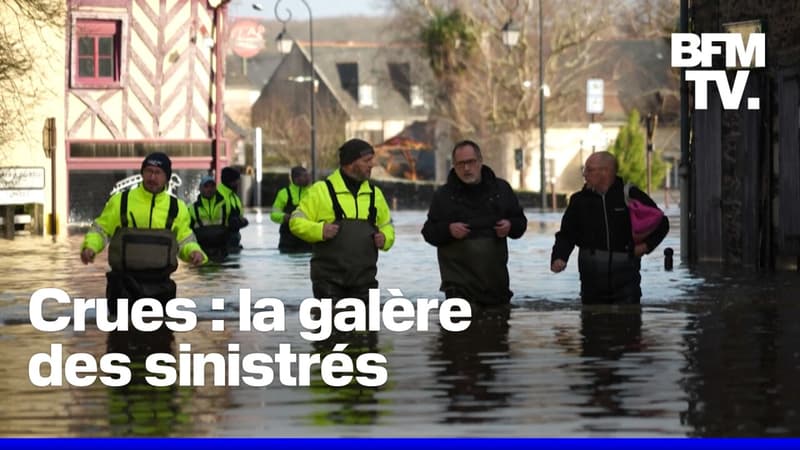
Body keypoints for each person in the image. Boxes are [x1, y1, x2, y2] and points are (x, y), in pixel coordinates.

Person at [80, 152, 206, 314]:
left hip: (160, 286)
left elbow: (184, 239)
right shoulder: (121, 201)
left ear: (167, 177)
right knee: (120, 336)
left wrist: (194, 252)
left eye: (158, 173)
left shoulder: (177, 208)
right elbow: (101, 230)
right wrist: (90, 247)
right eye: (149, 171)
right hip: (123, 286)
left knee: (161, 337)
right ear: (142, 173)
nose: (152, 177)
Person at [550, 151, 669, 304]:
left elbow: (662, 223)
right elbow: (566, 234)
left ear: (606, 171)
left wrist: (646, 246)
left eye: (589, 169)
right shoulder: (579, 200)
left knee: (628, 321)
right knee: (592, 322)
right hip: (591, 282)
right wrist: (559, 257)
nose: (584, 174)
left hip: (626, 280)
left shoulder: (630, 195)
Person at [421, 140, 527, 307]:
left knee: (498, 331)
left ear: (480, 161)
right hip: (458, 289)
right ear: (454, 166)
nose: (466, 168)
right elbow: (428, 232)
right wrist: (448, 230)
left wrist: (510, 226)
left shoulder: (500, 190)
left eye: (470, 162)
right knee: (459, 332)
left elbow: (520, 224)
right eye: (461, 164)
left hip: (495, 287)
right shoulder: (444, 195)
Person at [290, 138, 395, 301]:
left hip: (365, 281)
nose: (372, 165)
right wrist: (320, 230)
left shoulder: (375, 194)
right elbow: (295, 222)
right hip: (328, 283)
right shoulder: (320, 191)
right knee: (331, 326)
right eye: (367, 161)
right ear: (350, 163)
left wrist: (385, 238)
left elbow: (387, 226)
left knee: (366, 326)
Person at [270, 166, 312, 253]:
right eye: (305, 176)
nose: (308, 178)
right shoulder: (284, 193)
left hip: (307, 237)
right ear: (296, 179)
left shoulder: (312, 192)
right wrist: (284, 217)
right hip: (287, 239)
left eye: (308, 175)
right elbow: (273, 214)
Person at [188, 175, 229, 262]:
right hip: (201, 251)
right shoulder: (192, 209)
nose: (209, 189)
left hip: (222, 251)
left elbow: (234, 224)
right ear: (200, 189)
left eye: (212, 186)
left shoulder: (226, 205)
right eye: (206, 186)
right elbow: (187, 232)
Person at [216, 166, 249, 252]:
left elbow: (240, 215)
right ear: (230, 181)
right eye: (236, 180)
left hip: (234, 241)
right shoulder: (217, 195)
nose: (238, 183)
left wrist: (242, 221)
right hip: (220, 243)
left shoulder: (234, 197)